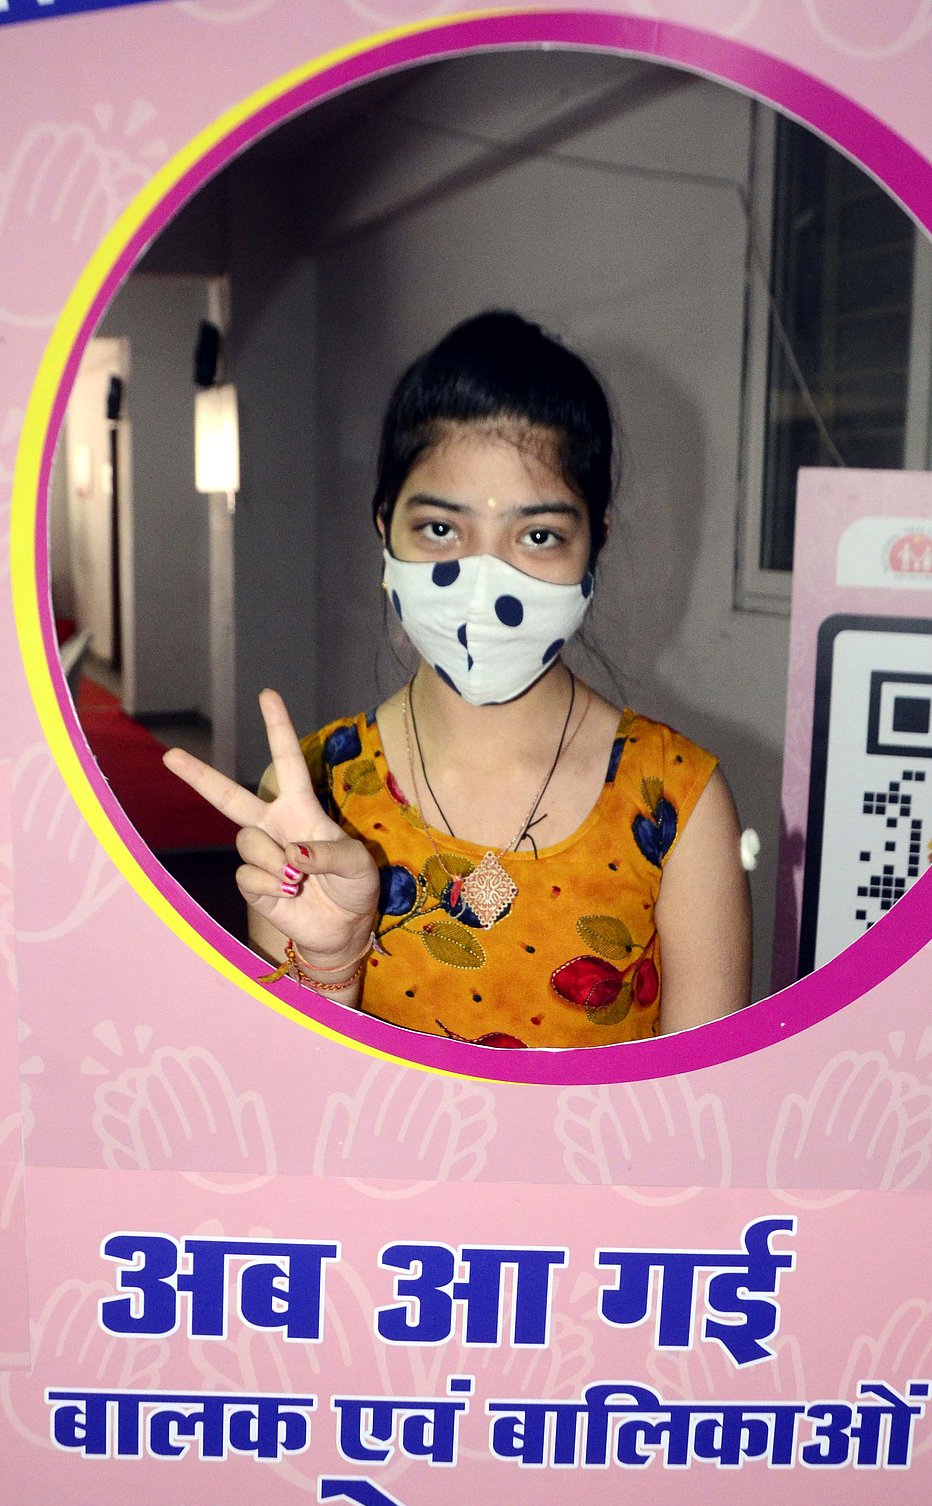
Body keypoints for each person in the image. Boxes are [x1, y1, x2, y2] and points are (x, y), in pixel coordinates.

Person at [165, 312, 750, 1047]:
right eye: (442, 529)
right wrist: (328, 966)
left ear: (594, 542)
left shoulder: (679, 804)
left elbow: (700, 1121)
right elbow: (297, 1114)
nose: (485, 580)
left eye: (538, 536)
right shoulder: (310, 797)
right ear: (385, 528)